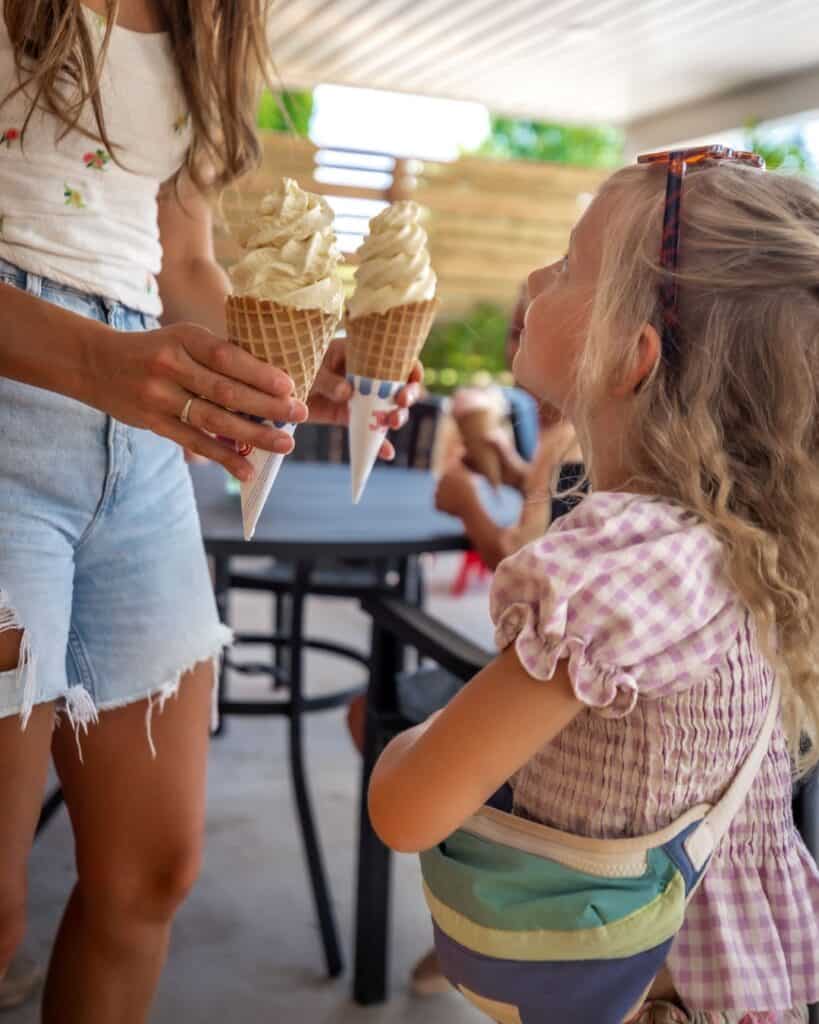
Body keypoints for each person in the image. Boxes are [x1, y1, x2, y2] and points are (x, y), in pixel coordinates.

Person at [0, 3, 420, 1021]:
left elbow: (181, 263)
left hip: (139, 439)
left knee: (150, 875)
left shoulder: (211, 21)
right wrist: (99, 359)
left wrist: (272, 367)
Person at [368, 151, 819, 1022]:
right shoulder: (736, 545)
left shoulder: (618, 574)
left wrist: (415, 740)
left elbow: (406, 810)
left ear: (631, 357)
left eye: (569, 264)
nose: (536, 278)